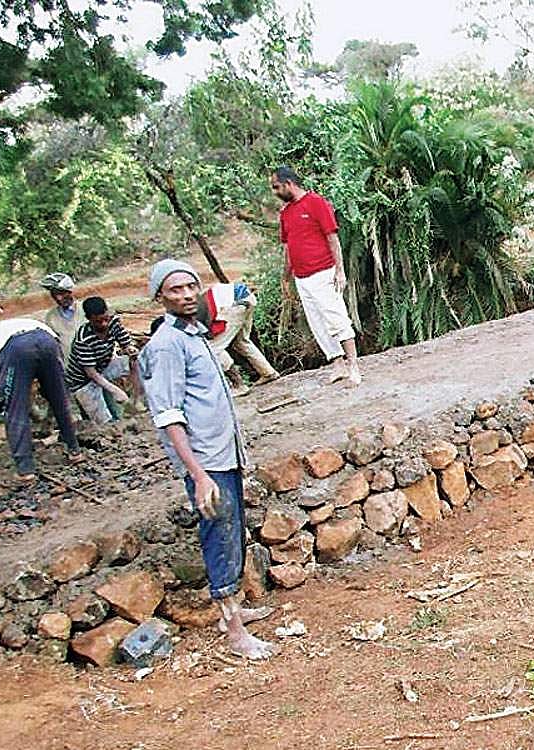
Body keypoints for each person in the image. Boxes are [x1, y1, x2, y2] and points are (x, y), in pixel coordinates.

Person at [139, 259, 277, 660]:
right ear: (160, 297)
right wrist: (198, 475)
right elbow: (169, 416)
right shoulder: (166, 346)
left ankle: (235, 613)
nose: (185, 295)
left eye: (190, 287)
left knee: (232, 533)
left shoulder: (195, 335)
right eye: (175, 289)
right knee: (219, 536)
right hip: (206, 462)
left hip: (223, 453)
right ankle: (235, 633)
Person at [271, 166, 362, 386]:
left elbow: (332, 238)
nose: (275, 192)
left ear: (289, 183)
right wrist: (286, 278)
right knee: (317, 323)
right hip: (302, 278)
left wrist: (340, 271)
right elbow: (288, 248)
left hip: (323, 272)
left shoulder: (316, 203)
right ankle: (338, 364)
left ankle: (353, 366)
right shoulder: (286, 213)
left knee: (336, 317)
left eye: (276, 187)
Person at [0, 318, 83, 480]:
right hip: (47, 340)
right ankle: (74, 451)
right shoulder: (8, 327)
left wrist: (11, 394)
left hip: (16, 348)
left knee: (15, 411)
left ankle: (25, 470)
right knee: (60, 400)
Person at [63, 296, 140, 425]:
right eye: (98, 322)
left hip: (104, 367)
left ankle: (138, 400)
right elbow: (91, 373)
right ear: (88, 319)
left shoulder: (114, 322)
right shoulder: (83, 339)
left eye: (106, 319)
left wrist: (130, 350)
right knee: (105, 423)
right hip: (83, 380)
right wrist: (115, 390)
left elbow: (126, 345)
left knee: (141, 362)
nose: (104, 324)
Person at [196, 282, 280, 396]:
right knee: (241, 342)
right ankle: (268, 373)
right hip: (247, 298)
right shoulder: (192, 299)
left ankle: (239, 385)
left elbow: (205, 332)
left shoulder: (185, 313)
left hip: (233, 304)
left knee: (213, 349)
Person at [39, 273, 83, 358]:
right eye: (54, 294)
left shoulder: (84, 309)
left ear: (69, 292)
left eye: (61, 294)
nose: (59, 298)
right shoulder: (50, 317)